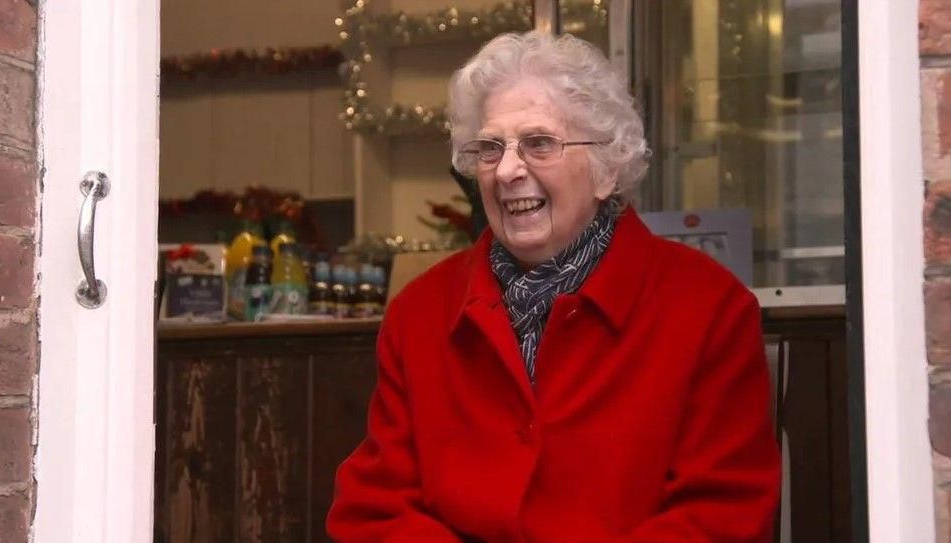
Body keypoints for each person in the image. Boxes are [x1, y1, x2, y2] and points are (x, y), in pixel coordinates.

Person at [327, 31, 780, 542]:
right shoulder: (421, 314)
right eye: (490, 149)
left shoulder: (708, 309)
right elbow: (376, 507)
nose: (509, 171)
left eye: (539, 143)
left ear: (607, 167)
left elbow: (721, 516)